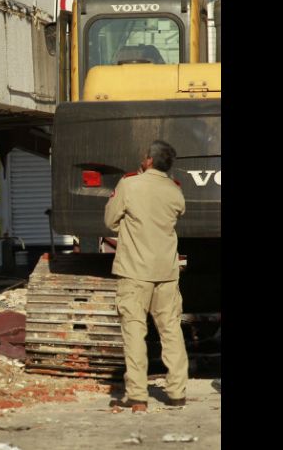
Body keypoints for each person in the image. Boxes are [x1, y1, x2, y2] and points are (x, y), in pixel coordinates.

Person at [104, 140, 188, 413]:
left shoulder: (129, 185)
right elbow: (178, 213)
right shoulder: (174, 191)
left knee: (134, 331)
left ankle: (137, 396)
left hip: (134, 272)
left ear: (149, 160)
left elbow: (110, 221)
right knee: (171, 331)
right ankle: (177, 393)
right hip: (166, 272)